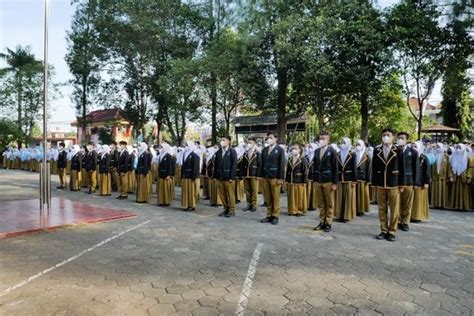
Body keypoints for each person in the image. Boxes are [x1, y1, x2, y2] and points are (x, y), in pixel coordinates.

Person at [372, 128, 405, 242]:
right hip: (381, 183)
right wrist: (374, 183)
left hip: (394, 183)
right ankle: (383, 230)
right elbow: (374, 167)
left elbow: (402, 168)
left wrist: (402, 184)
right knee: (382, 208)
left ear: (393, 137)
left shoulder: (399, 150)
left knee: (394, 209)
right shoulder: (377, 150)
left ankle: (392, 231)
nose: (386, 137)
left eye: (388, 135)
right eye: (384, 135)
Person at [312, 132, 338, 232]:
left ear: (328, 140)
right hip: (319, 180)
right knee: (321, 203)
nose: (321, 140)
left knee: (329, 203)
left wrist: (335, 183)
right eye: (320, 138)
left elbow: (335, 168)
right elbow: (314, 167)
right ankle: (322, 221)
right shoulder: (317, 151)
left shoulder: (332, 151)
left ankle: (328, 223)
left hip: (328, 181)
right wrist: (314, 180)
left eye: (324, 138)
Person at [259, 132, 286, 225]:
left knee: (275, 197)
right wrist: (261, 175)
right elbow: (261, 163)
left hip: (275, 177)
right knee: (268, 197)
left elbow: (282, 164)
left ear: (276, 139)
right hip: (265, 176)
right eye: (268, 138)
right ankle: (269, 214)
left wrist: (281, 178)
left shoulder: (280, 150)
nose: (268, 139)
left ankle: (275, 215)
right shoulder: (265, 150)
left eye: (271, 137)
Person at [397, 132, 418, 232]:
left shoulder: (413, 152)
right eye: (399, 138)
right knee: (397, 203)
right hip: (396, 181)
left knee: (407, 203)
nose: (400, 139)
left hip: (409, 181)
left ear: (406, 140)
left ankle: (405, 222)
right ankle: (397, 221)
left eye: (402, 138)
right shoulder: (394, 151)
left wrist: (415, 182)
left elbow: (416, 168)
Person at [214, 136, 238, 217]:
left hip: (228, 178)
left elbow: (234, 165)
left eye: (224, 140)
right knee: (222, 194)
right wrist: (215, 176)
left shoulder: (232, 151)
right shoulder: (218, 152)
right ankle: (225, 209)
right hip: (220, 177)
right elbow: (216, 165)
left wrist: (232, 177)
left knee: (230, 194)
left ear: (229, 142)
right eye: (221, 140)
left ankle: (231, 210)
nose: (222, 141)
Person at [334, 138, 357, 223]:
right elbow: (336, 168)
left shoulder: (352, 154)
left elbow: (354, 168)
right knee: (339, 198)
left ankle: (346, 216)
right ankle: (339, 215)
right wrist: (335, 180)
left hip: (349, 179)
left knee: (348, 198)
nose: (342, 144)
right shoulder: (338, 154)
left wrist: (354, 180)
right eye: (341, 142)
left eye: (344, 142)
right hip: (340, 179)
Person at [285, 144, 308, 216]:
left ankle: (299, 210)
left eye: (295, 148)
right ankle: (292, 210)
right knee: (291, 197)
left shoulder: (302, 159)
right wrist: (286, 180)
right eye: (292, 149)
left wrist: (304, 181)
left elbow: (305, 171)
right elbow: (288, 171)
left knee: (299, 197)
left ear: (299, 150)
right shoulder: (290, 159)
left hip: (299, 181)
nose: (293, 150)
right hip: (291, 181)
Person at [411, 141, 431, 222]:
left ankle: (417, 216)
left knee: (418, 201)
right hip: (411, 182)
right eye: (412, 146)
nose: (413, 148)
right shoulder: (409, 157)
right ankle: (409, 216)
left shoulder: (423, 158)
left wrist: (426, 182)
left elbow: (427, 170)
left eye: (415, 146)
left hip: (420, 183)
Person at [448, 144, 472, 211]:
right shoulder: (453, 157)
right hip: (455, 177)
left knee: (464, 192)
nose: (458, 149)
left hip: (463, 178)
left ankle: (464, 206)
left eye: (460, 147)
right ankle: (455, 206)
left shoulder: (468, 158)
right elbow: (450, 168)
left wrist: (469, 177)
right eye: (457, 147)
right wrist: (451, 176)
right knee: (455, 192)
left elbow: (470, 168)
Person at [241, 137, 260, 212]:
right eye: (248, 143)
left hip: (254, 174)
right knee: (247, 190)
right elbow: (242, 164)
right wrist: (242, 174)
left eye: (250, 143)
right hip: (246, 174)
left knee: (254, 190)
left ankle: (254, 205)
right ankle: (248, 205)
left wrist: (258, 175)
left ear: (254, 143)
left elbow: (259, 164)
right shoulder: (245, 153)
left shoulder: (257, 153)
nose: (248, 144)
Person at [181, 141, 201, 211]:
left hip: (191, 177)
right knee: (186, 192)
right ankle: (187, 205)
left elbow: (195, 167)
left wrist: (193, 177)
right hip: (186, 176)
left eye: (187, 145)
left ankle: (192, 206)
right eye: (185, 145)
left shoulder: (194, 155)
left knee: (191, 192)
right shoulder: (185, 154)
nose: (185, 146)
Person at [430, 143, 450, 209]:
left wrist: (449, 176)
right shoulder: (433, 155)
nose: (438, 148)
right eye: (437, 147)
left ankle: (442, 204)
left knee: (442, 191)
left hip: (443, 176)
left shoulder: (446, 156)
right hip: (435, 176)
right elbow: (430, 167)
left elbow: (449, 167)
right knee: (435, 190)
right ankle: (435, 204)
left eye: (439, 147)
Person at [157, 142, 176, 207]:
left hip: (166, 175)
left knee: (166, 189)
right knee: (161, 189)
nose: (161, 148)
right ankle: (161, 201)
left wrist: (168, 175)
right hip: (161, 174)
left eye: (162, 147)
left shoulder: (168, 156)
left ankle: (166, 202)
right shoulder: (161, 155)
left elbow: (170, 166)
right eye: (161, 147)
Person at [354, 140, 370, 215]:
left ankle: (361, 210)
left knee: (362, 195)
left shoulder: (366, 156)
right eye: (357, 144)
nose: (358, 146)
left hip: (363, 178)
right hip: (354, 178)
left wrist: (368, 179)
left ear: (363, 146)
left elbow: (369, 168)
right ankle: (354, 209)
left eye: (359, 144)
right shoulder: (353, 154)